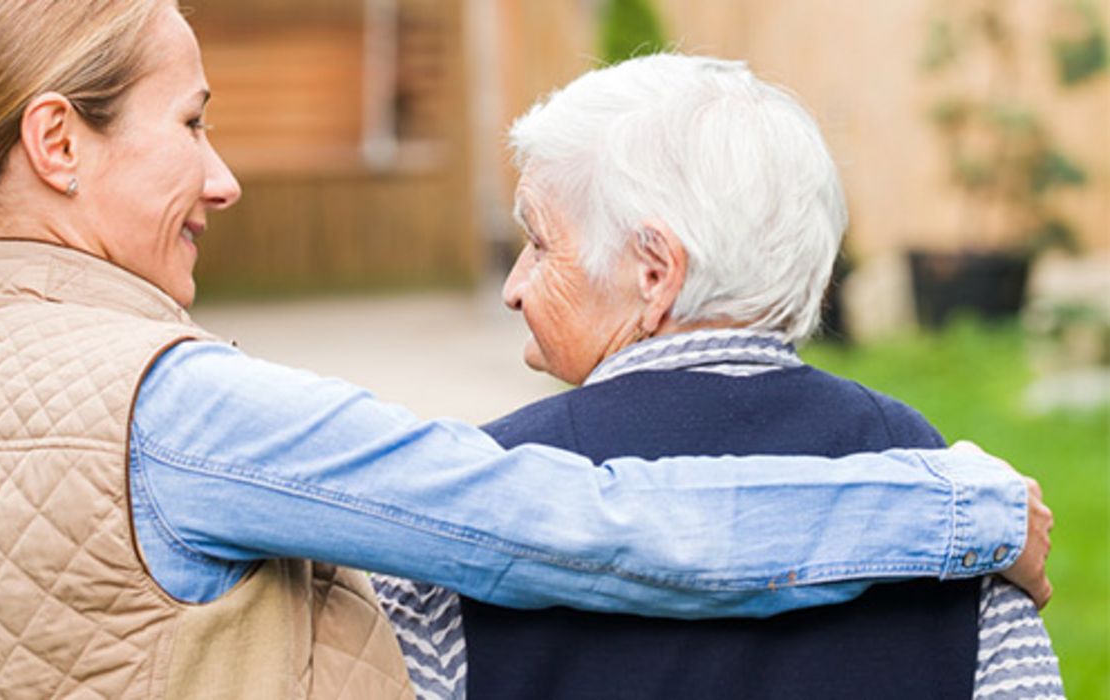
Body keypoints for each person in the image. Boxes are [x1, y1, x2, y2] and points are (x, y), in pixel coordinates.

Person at [0, 3, 1051, 698]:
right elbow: (580, 527)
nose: (223, 177)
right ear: (57, 143)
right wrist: (964, 506)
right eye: (192, 123)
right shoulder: (168, 411)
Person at [373, 55, 1063, 699]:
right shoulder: (946, 493)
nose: (513, 288)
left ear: (653, 271)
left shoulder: (468, 502)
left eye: (539, 242)